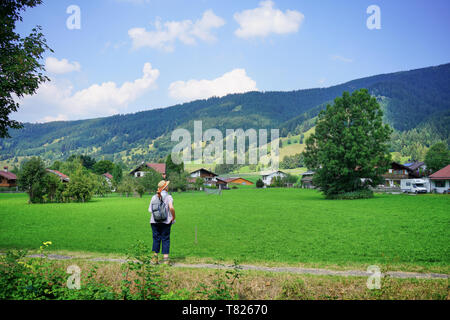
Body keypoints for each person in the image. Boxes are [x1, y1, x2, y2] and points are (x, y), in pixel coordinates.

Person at [149, 180, 176, 265]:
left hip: (154, 221)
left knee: (156, 239)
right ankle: (165, 260)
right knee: (165, 239)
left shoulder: (154, 197)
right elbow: (171, 208)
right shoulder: (169, 197)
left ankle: (154, 259)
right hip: (166, 222)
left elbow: (150, 210)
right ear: (166, 188)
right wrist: (173, 217)